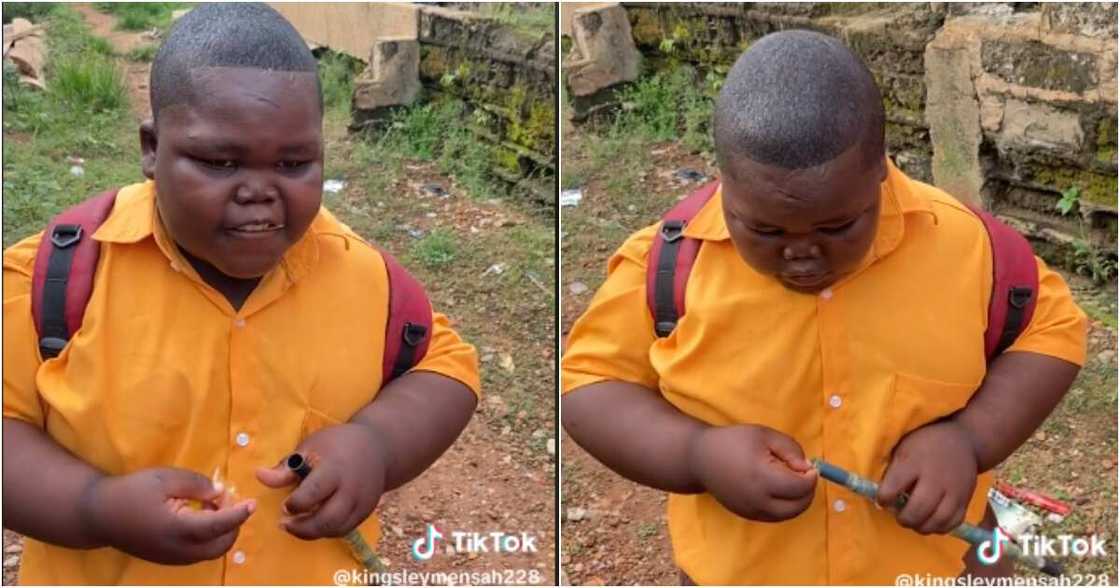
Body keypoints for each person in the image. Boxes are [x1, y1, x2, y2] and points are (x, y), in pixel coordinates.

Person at [561, 29, 1086, 585]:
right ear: (726, 181)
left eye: (837, 226)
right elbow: (590, 383)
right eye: (763, 229)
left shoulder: (969, 248)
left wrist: (970, 438)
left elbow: (1051, 330)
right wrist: (697, 455)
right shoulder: (666, 267)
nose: (802, 253)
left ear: (879, 170)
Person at [2, 4, 480, 584]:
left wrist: (376, 445)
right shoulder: (56, 278)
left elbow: (446, 367)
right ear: (153, 149)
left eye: (293, 163)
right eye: (220, 162)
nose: (259, 191)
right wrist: (96, 507)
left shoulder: (366, 279)